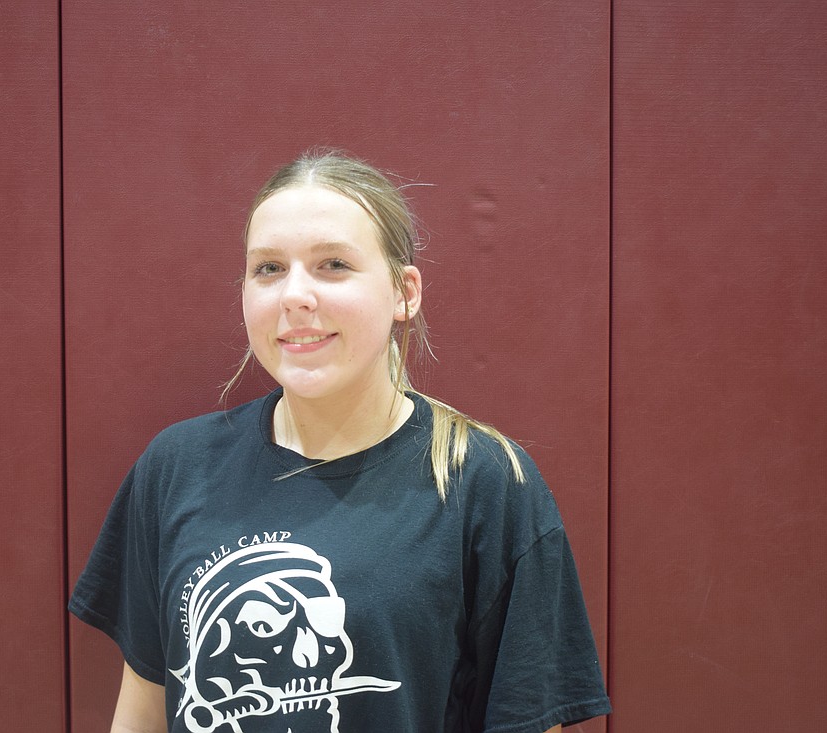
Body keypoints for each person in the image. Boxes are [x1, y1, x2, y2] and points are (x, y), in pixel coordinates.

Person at [69, 150, 612, 733]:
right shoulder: (176, 467)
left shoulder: (486, 484)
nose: (294, 296)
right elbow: (144, 710)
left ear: (405, 292)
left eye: (332, 265)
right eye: (269, 268)